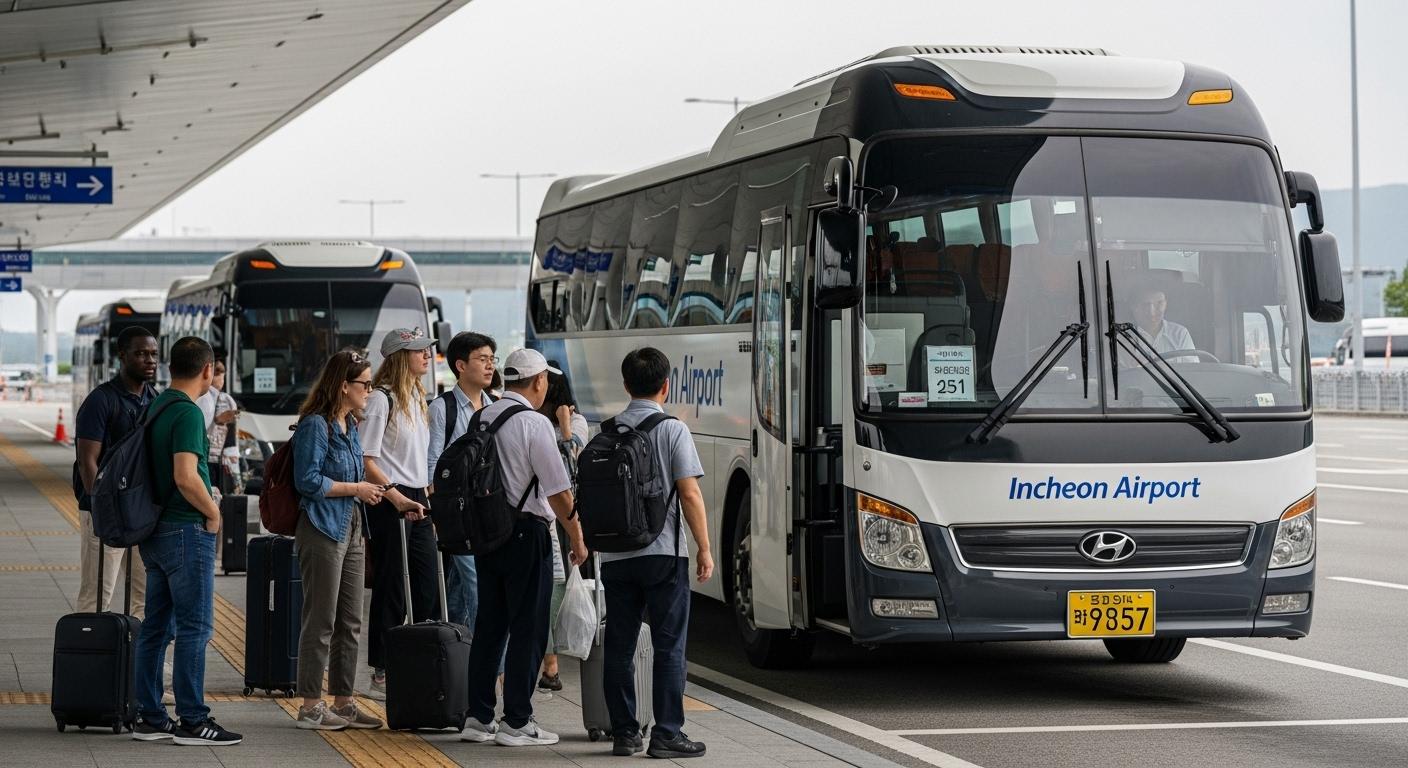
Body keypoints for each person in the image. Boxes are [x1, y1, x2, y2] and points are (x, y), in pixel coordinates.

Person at [461, 348, 587, 747]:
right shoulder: (534, 424)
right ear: (538, 382)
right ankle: (517, 720)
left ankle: (478, 717)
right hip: (526, 534)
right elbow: (559, 492)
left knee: (490, 626)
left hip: (488, 534)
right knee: (529, 628)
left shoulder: (482, 416)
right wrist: (579, 538)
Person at [600, 347, 714, 759]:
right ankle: (666, 733)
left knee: (619, 646)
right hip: (663, 553)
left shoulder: (608, 428)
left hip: (615, 555)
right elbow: (689, 493)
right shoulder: (672, 430)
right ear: (666, 385)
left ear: (626, 385)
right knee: (669, 646)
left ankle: (624, 733)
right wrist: (704, 547)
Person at [130, 337, 242, 746]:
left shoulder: (157, 405)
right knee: (196, 626)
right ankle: (193, 719)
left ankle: (150, 715)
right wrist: (213, 513)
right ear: (208, 370)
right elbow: (185, 475)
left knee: (157, 627)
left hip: (156, 531)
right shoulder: (190, 414)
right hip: (184, 530)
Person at [290, 350, 386, 730]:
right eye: (364, 384)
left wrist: (388, 494)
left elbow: (362, 468)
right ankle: (311, 705)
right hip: (322, 528)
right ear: (343, 386)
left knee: (350, 619)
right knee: (321, 619)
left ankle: (344, 701)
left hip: (352, 528)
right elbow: (308, 481)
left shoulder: (352, 424)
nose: (369, 390)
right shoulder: (317, 425)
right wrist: (356, 489)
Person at [359, 327, 437, 699]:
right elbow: (366, 460)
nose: (426, 355)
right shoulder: (380, 400)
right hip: (391, 498)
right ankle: (382, 669)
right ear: (398, 357)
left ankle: (423, 661)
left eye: (427, 349)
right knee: (393, 585)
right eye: (418, 350)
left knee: (427, 583)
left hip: (419, 493)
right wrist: (395, 497)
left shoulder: (418, 398)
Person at [73, 326, 158, 619]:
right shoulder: (100, 400)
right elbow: (87, 461)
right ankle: (92, 657)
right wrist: (102, 509)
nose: (149, 360)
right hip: (104, 511)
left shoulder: (153, 399)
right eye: (141, 354)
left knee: (145, 594)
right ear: (122, 356)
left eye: (154, 354)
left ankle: (146, 661)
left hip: (139, 510)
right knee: (97, 594)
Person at [427, 332, 498, 632]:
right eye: (482, 359)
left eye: (492, 359)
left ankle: (454, 662)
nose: (490, 366)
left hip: (490, 514)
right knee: (481, 592)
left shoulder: (495, 406)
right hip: (458, 517)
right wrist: (436, 516)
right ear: (460, 365)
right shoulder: (442, 408)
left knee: (458, 593)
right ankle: (495, 672)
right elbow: (431, 466)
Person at [535, 363, 587, 693]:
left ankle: (553, 660)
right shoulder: (531, 422)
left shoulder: (576, 422)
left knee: (561, 589)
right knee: (549, 592)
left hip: (566, 517)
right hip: (542, 515)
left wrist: (566, 430)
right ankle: (549, 664)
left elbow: (569, 474)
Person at [195, 359, 240, 493]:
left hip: (210, 460)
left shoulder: (224, 399)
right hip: (212, 461)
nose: (221, 378)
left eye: (222, 373)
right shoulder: (215, 398)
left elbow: (231, 439)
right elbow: (231, 442)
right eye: (218, 373)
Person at [1128, 285, 1197, 363]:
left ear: (1165, 304)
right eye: (1145, 305)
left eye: (1159, 303)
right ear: (1133, 307)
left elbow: (1192, 370)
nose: (1152, 312)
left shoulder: (1180, 334)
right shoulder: (1123, 337)